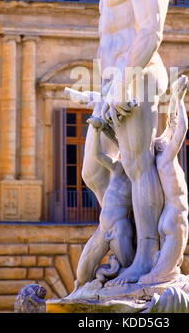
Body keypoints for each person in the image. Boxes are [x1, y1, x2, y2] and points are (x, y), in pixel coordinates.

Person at [81, 0, 171, 284]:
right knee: (92, 172)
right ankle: (126, 239)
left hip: (139, 75)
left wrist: (123, 83)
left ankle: (146, 259)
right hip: (111, 85)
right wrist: (103, 90)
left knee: (137, 166)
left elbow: (150, 31)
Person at [137, 75, 189, 285]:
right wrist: (181, 100)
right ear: (161, 147)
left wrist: (174, 100)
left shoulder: (161, 159)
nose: (168, 141)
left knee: (164, 274)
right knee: (161, 278)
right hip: (176, 218)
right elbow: (181, 130)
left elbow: (170, 127)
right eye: (164, 142)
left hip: (167, 218)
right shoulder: (166, 160)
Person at [74, 115, 135, 289]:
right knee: (82, 273)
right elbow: (97, 155)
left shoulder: (138, 178)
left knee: (127, 270)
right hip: (103, 229)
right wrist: (96, 130)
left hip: (119, 228)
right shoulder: (117, 167)